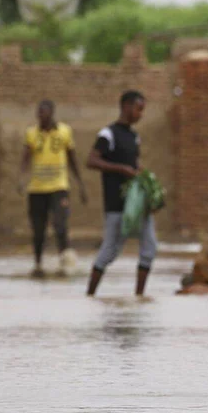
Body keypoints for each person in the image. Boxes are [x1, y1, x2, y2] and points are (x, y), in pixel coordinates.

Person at [85, 90, 158, 297]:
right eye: (138, 109)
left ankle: (139, 296)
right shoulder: (108, 134)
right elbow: (91, 161)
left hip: (137, 204)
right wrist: (120, 169)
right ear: (126, 106)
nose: (140, 114)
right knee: (110, 251)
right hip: (116, 204)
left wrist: (147, 181)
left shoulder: (134, 137)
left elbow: (135, 165)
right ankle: (90, 295)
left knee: (150, 248)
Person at [18, 100, 87, 277]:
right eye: (39, 113)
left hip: (59, 186)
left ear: (51, 113)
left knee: (60, 225)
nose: (41, 115)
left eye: (44, 112)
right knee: (38, 230)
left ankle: (64, 262)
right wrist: (21, 178)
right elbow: (25, 158)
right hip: (37, 189)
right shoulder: (31, 133)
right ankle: (38, 264)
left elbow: (72, 159)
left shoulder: (64, 132)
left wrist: (80, 184)